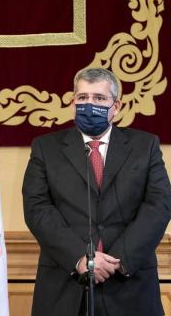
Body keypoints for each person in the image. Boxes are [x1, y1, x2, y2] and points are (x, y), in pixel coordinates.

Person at [22, 67, 171, 316]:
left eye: (99, 99)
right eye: (83, 98)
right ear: (72, 102)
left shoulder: (145, 146)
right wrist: (81, 258)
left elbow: (159, 204)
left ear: (117, 106)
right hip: (65, 288)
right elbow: (37, 208)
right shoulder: (45, 148)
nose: (90, 105)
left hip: (130, 285)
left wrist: (117, 261)